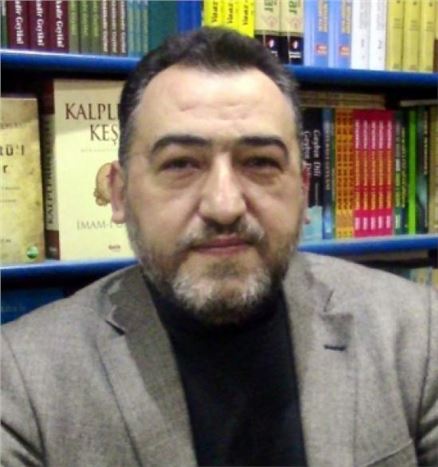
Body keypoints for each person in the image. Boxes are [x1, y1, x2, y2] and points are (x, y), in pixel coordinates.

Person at [1, 27, 437, 467]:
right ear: (118, 193)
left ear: (303, 190)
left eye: (260, 162)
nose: (225, 206)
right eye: (181, 164)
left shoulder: (417, 334)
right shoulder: (23, 381)